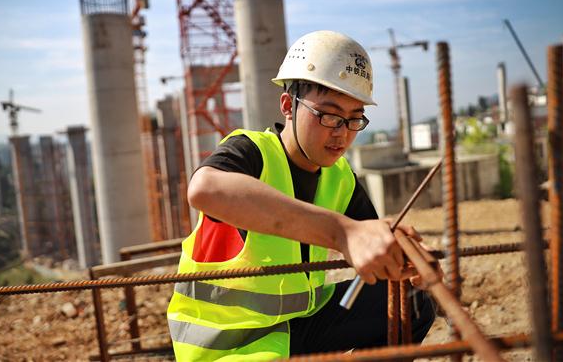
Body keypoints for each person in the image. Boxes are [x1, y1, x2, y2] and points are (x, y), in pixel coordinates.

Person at [166, 30, 436, 360]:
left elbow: (371, 242)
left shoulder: (339, 176)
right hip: (230, 346)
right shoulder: (252, 152)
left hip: (294, 326)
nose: (341, 133)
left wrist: (403, 259)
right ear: (288, 106)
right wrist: (341, 231)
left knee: (411, 301)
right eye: (328, 116)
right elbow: (205, 189)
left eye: (354, 119)